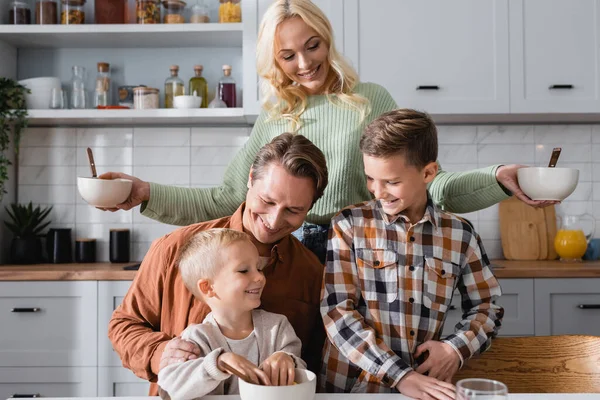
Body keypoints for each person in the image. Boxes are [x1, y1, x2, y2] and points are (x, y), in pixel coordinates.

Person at [99, 0, 552, 264]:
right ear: (274, 61)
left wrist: (498, 178)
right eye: (287, 55)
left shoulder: (368, 99)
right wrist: (143, 192)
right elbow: (225, 199)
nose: (304, 63)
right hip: (285, 253)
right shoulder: (274, 114)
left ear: (327, 38)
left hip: (359, 252)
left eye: (312, 45)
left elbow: (426, 186)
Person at [108, 133, 326, 396]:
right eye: (267, 201)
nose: (274, 220)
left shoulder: (312, 273)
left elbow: (311, 360)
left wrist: (290, 362)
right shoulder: (175, 248)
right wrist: (161, 353)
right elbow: (124, 325)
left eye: (293, 210)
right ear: (250, 179)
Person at [320, 109, 504, 399]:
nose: (378, 192)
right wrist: (399, 375)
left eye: (391, 182)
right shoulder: (349, 225)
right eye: (370, 179)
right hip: (349, 388)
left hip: (421, 387)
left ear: (428, 172)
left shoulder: (460, 235)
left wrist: (455, 348)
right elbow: (337, 312)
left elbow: (487, 307)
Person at [157, 228, 306, 399]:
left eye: (259, 268)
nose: (259, 277)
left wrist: (288, 359)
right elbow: (167, 390)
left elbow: (300, 373)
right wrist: (217, 364)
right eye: (244, 271)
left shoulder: (277, 327)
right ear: (208, 287)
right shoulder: (197, 337)